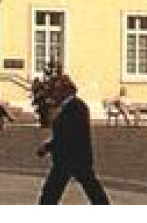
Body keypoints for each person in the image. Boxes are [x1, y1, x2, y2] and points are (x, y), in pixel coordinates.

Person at [37, 74, 110, 204]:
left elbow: (68, 136)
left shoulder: (76, 107)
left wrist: (48, 147)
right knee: (51, 194)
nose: (54, 94)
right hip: (68, 158)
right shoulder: (67, 106)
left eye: (56, 90)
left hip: (73, 157)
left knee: (92, 191)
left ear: (65, 91)